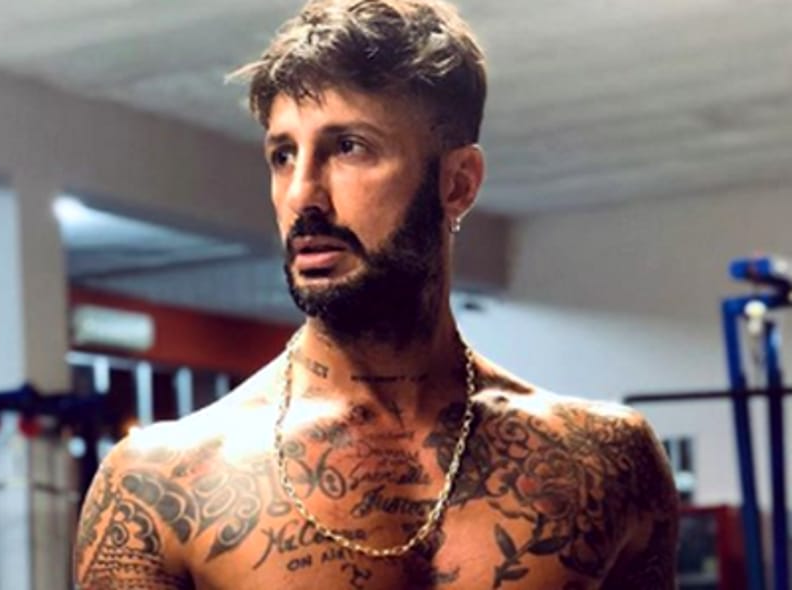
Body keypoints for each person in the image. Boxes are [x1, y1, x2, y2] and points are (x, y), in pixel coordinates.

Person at [73, 0, 679, 588]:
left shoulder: (606, 464)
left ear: (458, 183)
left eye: (349, 147)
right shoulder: (160, 486)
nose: (302, 195)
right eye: (283, 155)